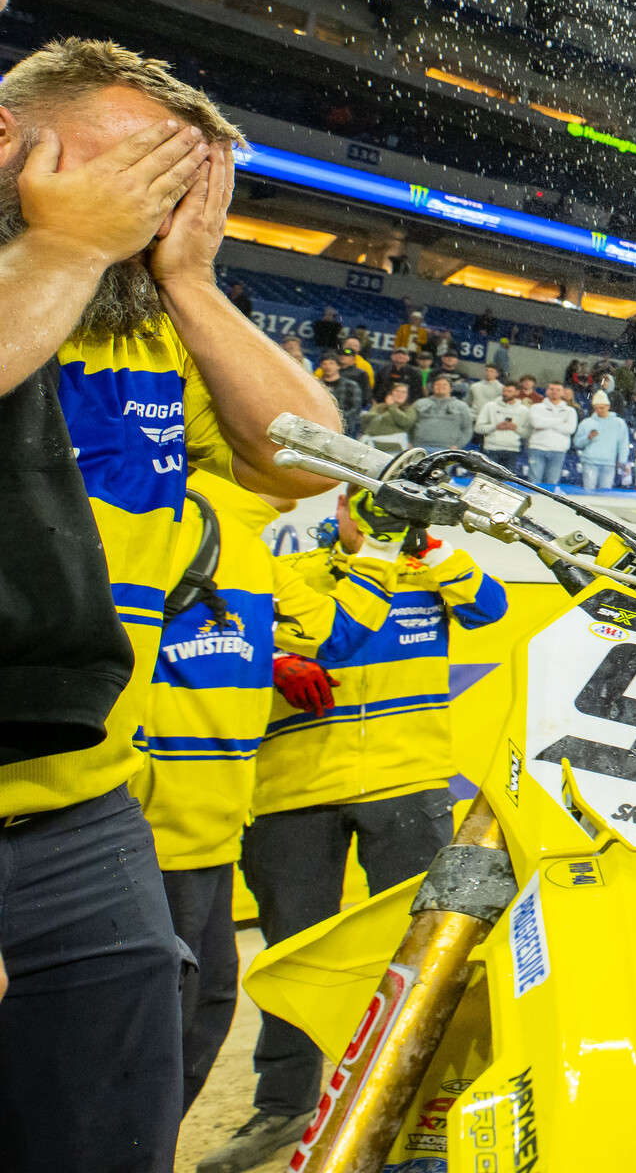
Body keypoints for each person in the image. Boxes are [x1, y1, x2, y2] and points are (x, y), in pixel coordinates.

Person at [0, 10, 338, 1172]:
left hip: (108, 809)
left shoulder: (146, 337)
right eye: (132, 169)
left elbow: (305, 452)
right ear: (11, 147)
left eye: (175, 186)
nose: (149, 203)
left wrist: (186, 273)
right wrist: (66, 247)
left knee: (118, 1120)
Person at [216, 486, 507, 1172]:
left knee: (425, 951)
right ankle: (285, 1106)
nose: (377, 520)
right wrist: (274, 665)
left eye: (391, 509)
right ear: (341, 508)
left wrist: (432, 548)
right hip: (295, 788)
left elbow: (490, 608)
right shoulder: (294, 570)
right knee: (292, 950)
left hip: (406, 785)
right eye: (365, 507)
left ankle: (416, 1108)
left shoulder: (431, 569)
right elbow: (235, 640)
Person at [129, 471, 291, 1118]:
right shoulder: (181, 514)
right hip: (164, 826)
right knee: (157, 1027)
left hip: (214, 823)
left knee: (210, 1001)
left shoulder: (246, 534)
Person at [523, 380, 578, 488]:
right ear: (547, 391)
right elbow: (536, 423)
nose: (554, 392)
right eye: (552, 389)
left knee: (551, 484)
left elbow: (570, 429)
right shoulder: (536, 407)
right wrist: (559, 421)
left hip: (558, 451)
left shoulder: (570, 411)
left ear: (563, 393)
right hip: (538, 448)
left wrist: (546, 422)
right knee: (534, 482)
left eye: (558, 390)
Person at [574, 393, 630, 491]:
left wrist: (622, 461)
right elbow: (577, 443)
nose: (599, 411)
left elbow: (623, 444)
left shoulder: (619, 423)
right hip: (590, 462)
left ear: (608, 406)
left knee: (605, 494)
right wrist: (588, 438)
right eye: (596, 408)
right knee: (588, 492)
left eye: (602, 408)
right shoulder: (587, 423)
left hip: (609, 464)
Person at [410, 374, 476, 453]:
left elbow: (467, 428)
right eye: (437, 384)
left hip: (446, 450)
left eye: (444, 384)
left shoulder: (461, 406)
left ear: (451, 388)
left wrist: (457, 445)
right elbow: (409, 424)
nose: (441, 387)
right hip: (419, 448)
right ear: (432, 387)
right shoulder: (419, 403)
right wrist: (409, 442)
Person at [477, 388, 527, 474]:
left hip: (512, 450)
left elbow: (528, 433)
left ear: (517, 392)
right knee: (487, 477)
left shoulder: (524, 410)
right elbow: (478, 428)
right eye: (504, 391)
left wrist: (516, 428)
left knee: (506, 482)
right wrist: (495, 427)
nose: (505, 393)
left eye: (509, 391)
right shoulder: (490, 406)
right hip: (492, 448)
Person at [361, 381, 417, 453]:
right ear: (391, 393)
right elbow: (367, 419)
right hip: (373, 447)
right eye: (397, 391)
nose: (400, 394)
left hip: (394, 449)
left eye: (403, 392)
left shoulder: (409, 409)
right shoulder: (380, 406)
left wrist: (392, 406)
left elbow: (406, 422)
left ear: (407, 395)